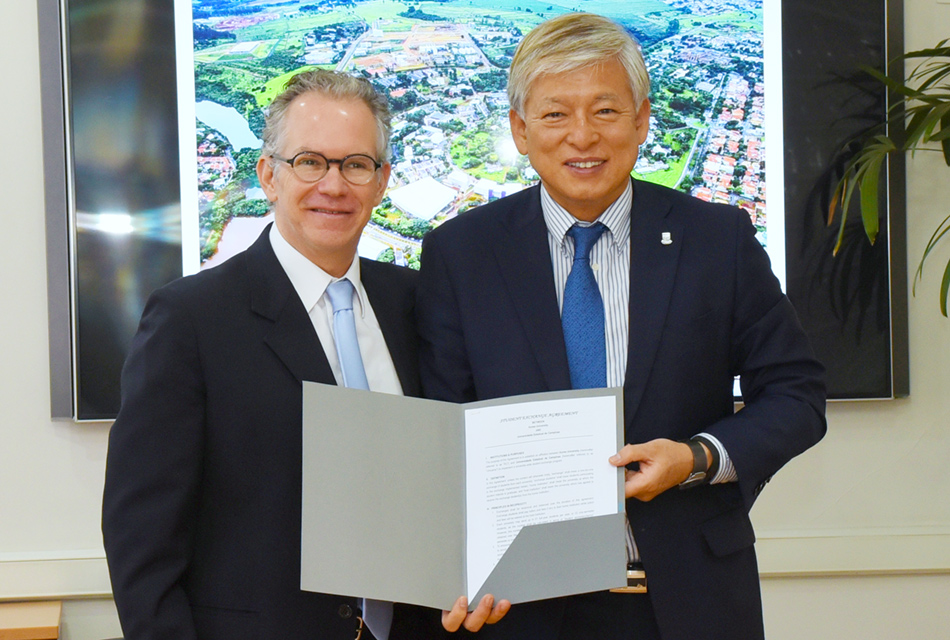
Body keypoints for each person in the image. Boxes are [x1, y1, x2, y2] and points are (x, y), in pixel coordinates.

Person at [418, 13, 827, 640]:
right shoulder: (461, 253)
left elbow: (798, 396)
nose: (582, 137)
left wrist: (697, 458)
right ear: (520, 131)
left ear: (640, 121)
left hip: (689, 600)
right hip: (519, 607)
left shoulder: (717, 240)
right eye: (556, 115)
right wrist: (450, 569)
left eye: (605, 111)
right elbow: (441, 430)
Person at [103, 69, 436, 640]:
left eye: (356, 164)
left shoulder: (416, 304)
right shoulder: (190, 319)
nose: (334, 185)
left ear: (382, 182)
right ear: (269, 176)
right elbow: (142, 543)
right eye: (310, 161)